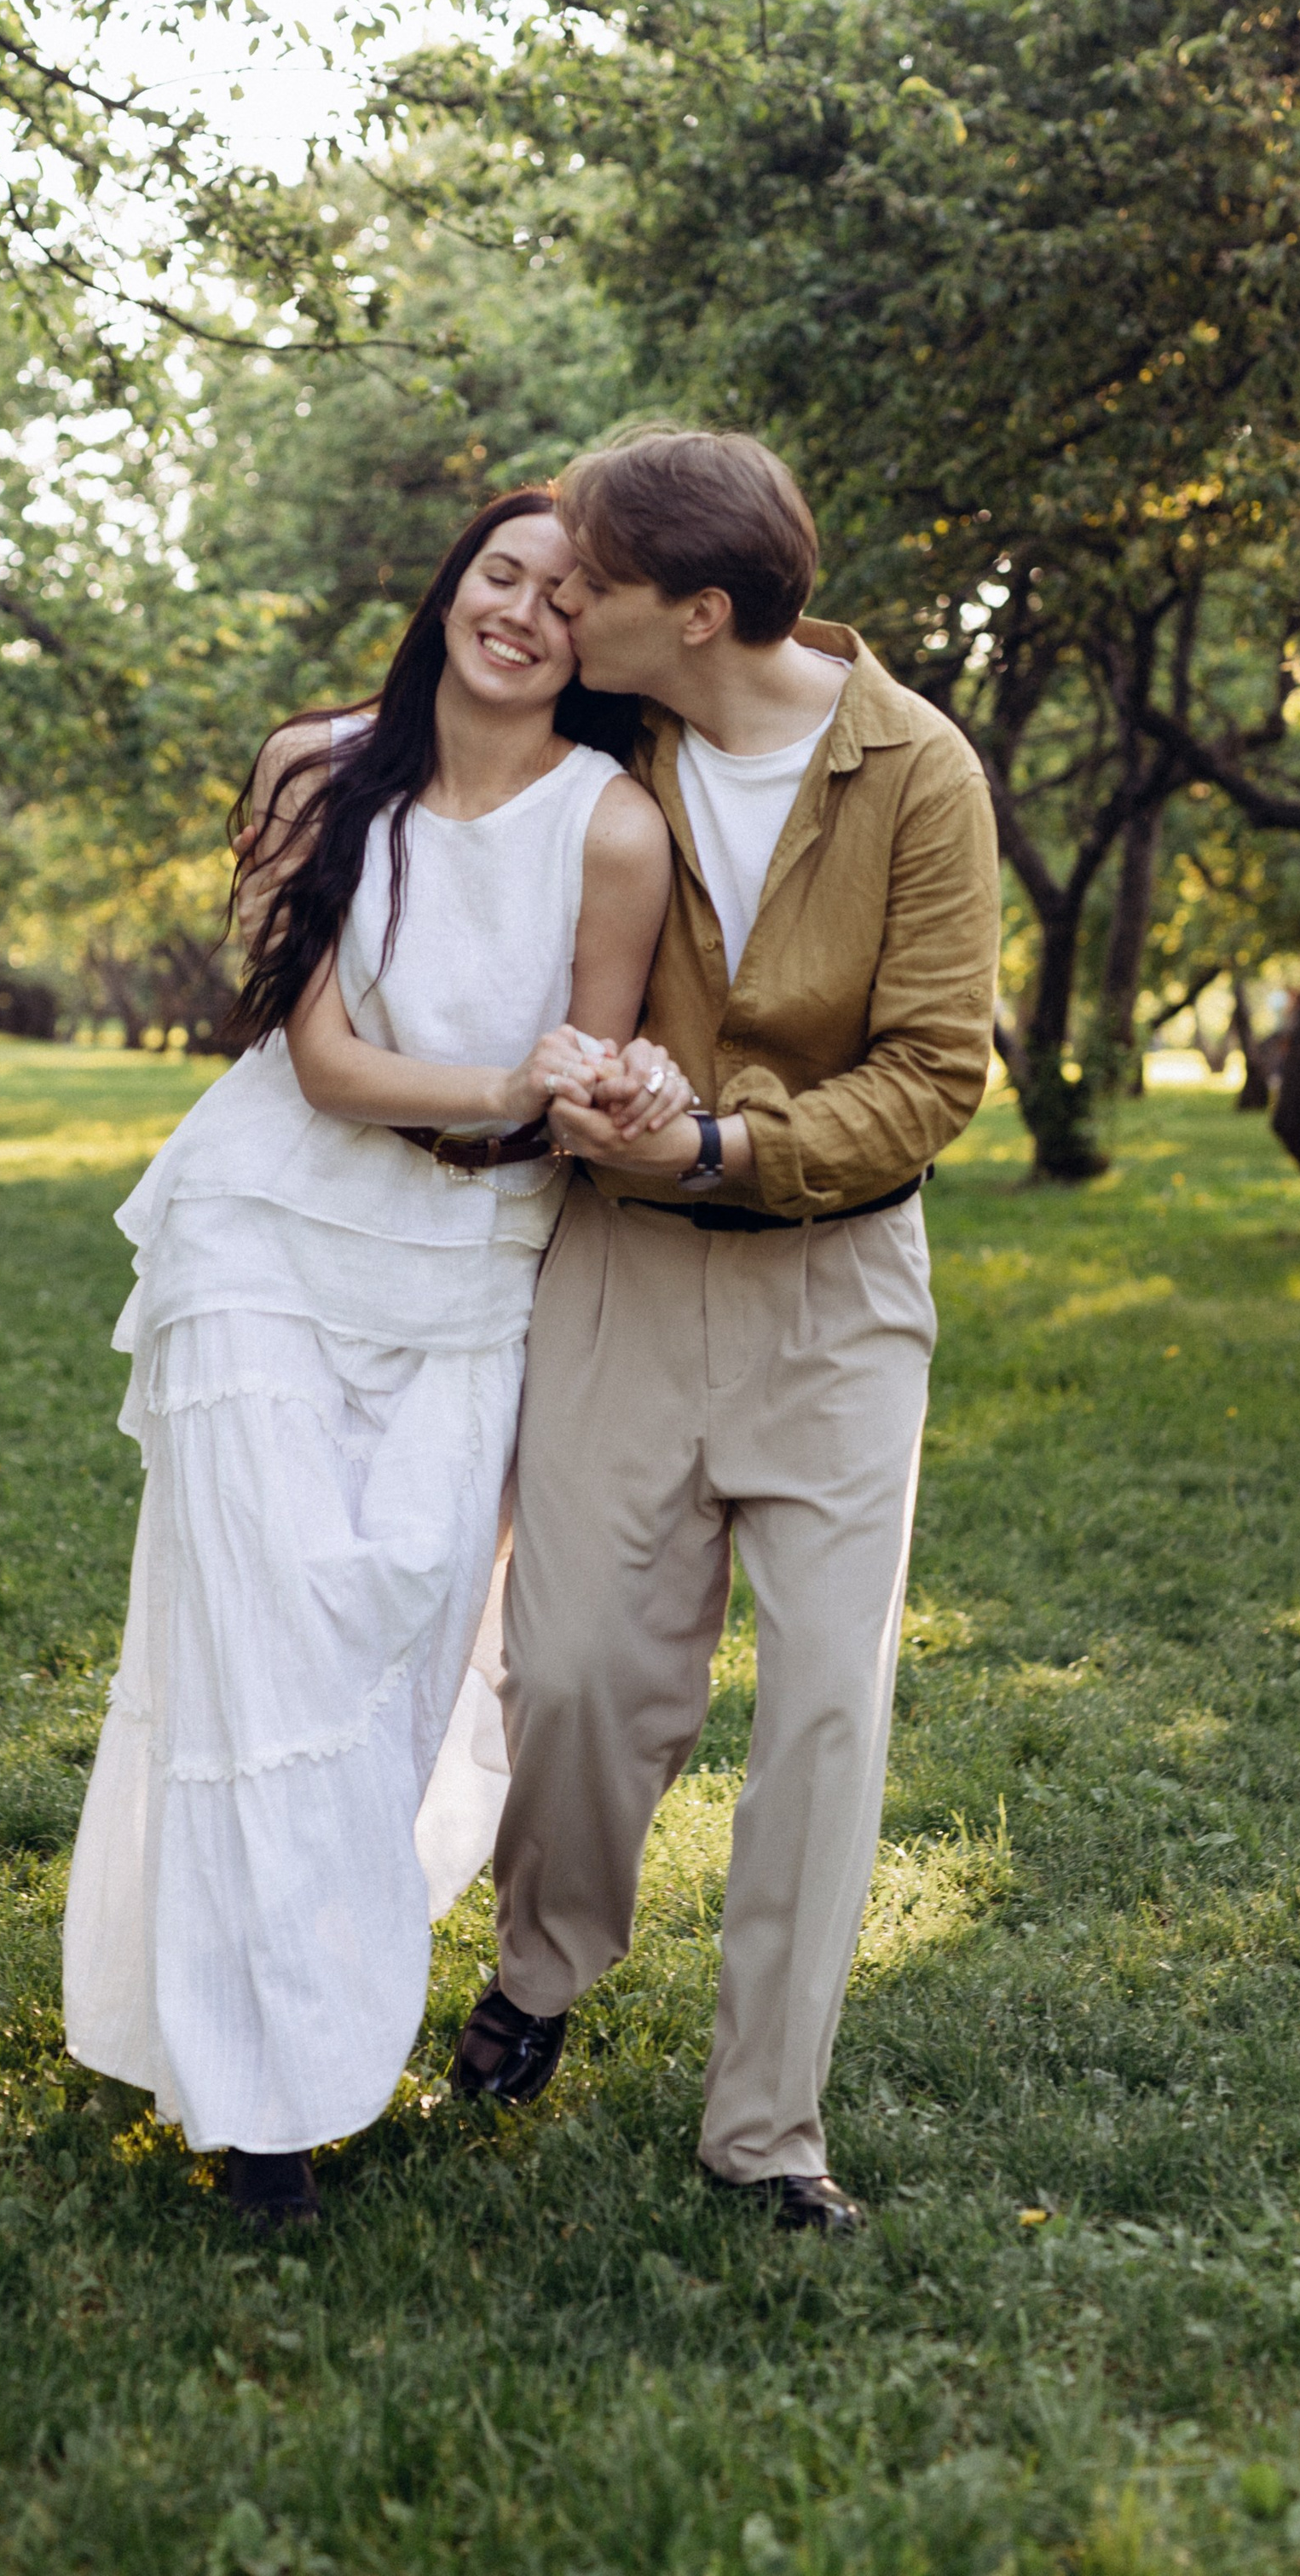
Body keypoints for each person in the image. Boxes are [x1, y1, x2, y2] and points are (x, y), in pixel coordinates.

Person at [63, 488, 687, 2227]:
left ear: (599, 643)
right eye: (500, 574)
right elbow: (323, 1062)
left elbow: (594, 1069)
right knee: (265, 1641)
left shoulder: (612, 828)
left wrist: (581, 1101)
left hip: (470, 1269)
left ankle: (283, 2005)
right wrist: (508, 1092)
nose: (521, 613)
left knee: (391, 1630)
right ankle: (267, 2115)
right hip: (261, 1232)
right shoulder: (317, 768)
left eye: (566, 601)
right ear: (447, 587)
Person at [450, 426, 1001, 2237]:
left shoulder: (916, 769)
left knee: (826, 1715)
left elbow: (933, 1073)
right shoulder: (606, 742)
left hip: (838, 1297)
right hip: (618, 1271)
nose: (557, 597)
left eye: (585, 577)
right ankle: (541, 1970)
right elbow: (429, 790)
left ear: (692, 613)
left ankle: (766, 2130)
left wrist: (724, 1142)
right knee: (588, 1672)